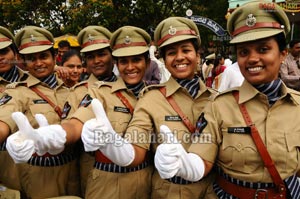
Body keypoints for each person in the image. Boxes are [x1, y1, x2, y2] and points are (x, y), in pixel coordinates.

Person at [154, 1, 300, 198]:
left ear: (283, 54)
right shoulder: (219, 105)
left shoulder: (297, 106)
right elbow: (202, 157)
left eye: (263, 49)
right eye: (244, 52)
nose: (252, 58)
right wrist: (183, 165)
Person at [1, 26, 80, 198]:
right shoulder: (17, 92)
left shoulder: (70, 83)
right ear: (23, 61)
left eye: (43, 56)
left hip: (76, 168)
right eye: (31, 59)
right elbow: (3, 121)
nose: (38, 63)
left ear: (54, 56)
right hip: (41, 174)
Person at [0, 25, 28, 197]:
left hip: (38, 163)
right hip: (4, 163)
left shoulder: (31, 78)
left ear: (15, 54)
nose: (0, 57)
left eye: (4, 51)